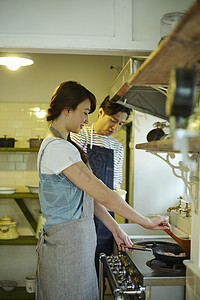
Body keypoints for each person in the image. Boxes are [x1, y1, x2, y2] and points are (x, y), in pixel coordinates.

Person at [36, 80, 170, 300]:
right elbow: (103, 193)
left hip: (74, 249)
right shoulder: (57, 148)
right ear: (67, 109)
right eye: (85, 112)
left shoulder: (63, 145)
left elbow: (89, 196)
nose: (87, 120)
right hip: (66, 251)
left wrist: (115, 228)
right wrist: (145, 221)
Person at [70, 96, 132, 281]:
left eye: (120, 123)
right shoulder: (78, 136)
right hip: (81, 211)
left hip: (105, 216)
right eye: (113, 120)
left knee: (99, 267)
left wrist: (118, 199)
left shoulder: (118, 147)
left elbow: (115, 186)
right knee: (79, 268)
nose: (115, 127)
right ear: (101, 112)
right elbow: (77, 180)